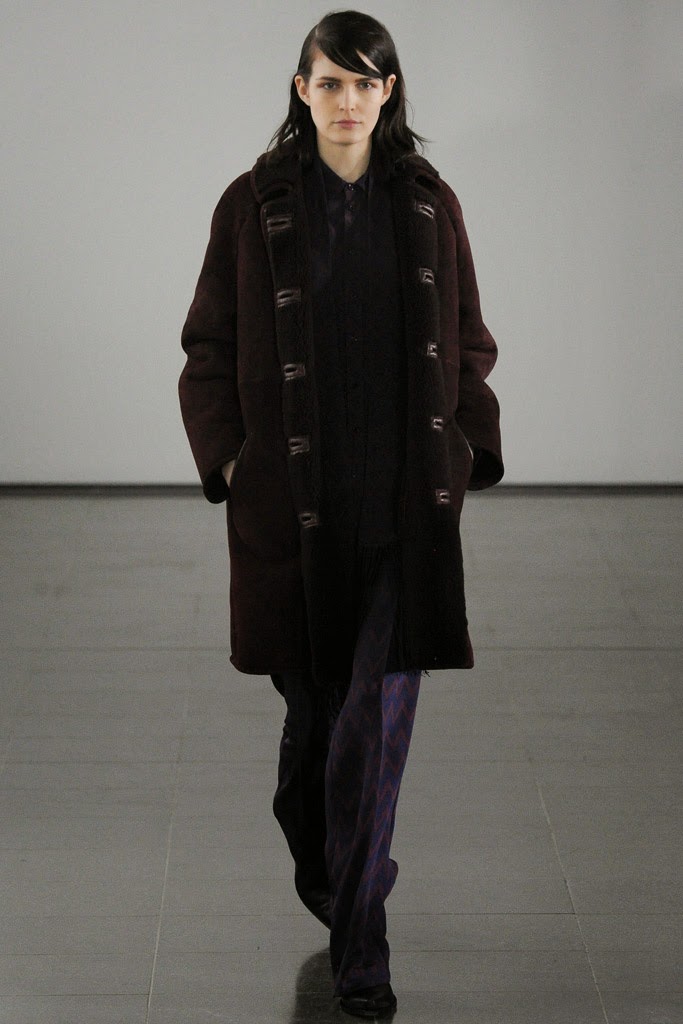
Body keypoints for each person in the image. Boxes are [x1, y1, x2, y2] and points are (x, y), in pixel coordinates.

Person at [178, 9, 503, 1018]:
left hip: (404, 511)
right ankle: (335, 873)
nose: (348, 100)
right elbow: (209, 345)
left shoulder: (427, 201)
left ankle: (363, 948)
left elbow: (467, 338)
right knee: (316, 734)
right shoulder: (254, 203)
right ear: (301, 89)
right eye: (331, 82)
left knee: (374, 727)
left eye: (366, 82)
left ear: (388, 92)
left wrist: (463, 445)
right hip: (295, 515)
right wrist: (232, 460)